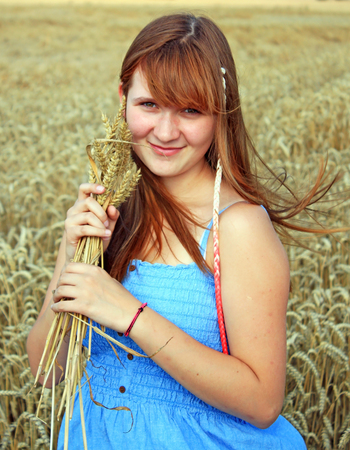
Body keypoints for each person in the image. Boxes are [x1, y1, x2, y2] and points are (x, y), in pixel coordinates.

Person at [26, 13, 320, 449]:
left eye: (190, 110)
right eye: (149, 105)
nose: (165, 132)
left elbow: (262, 402)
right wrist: (72, 258)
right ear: (123, 97)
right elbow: (48, 373)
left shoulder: (237, 227)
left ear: (221, 113)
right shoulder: (107, 212)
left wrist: (130, 314)